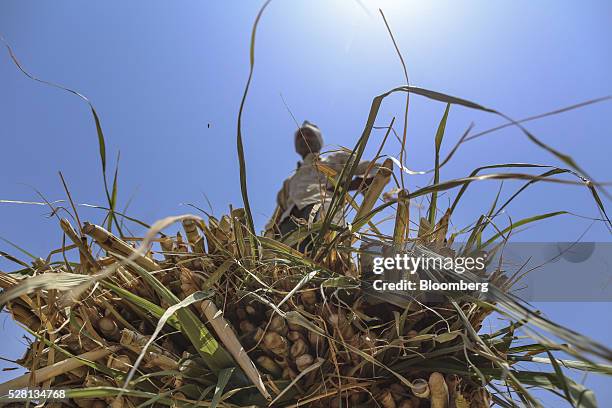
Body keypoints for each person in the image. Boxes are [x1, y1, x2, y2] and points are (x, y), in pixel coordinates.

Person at [265, 121, 376, 248]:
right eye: (300, 136)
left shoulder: (335, 159)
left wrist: (345, 186)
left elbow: (375, 169)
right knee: (285, 265)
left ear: (319, 140)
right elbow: (277, 213)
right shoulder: (290, 180)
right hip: (288, 223)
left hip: (324, 210)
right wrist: (268, 235)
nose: (304, 138)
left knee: (326, 254)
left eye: (309, 134)